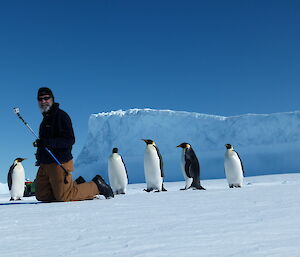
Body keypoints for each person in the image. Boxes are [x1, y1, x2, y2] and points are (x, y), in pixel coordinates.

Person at [34, 87, 114, 202]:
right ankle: (77, 185)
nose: (43, 101)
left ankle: (96, 185)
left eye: (46, 98)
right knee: (42, 196)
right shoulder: (44, 121)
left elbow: (70, 140)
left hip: (59, 161)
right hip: (45, 163)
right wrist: (39, 155)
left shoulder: (61, 116)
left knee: (64, 197)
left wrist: (49, 143)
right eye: (40, 99)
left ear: (52, 99)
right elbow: (43, 143)